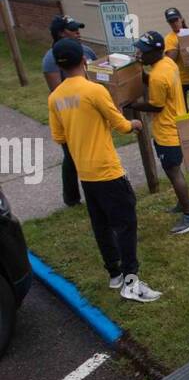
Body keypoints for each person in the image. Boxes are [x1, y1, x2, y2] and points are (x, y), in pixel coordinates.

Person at [47, 38, 160, 303]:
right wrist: (135, 124)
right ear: (84, 61)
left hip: (85, 172)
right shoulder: (94, 91)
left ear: (61, 66)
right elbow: (120, 124)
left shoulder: (55, 98)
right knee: (125, 222)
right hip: (107, 170)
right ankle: (131, 281)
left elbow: (59, 136)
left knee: (101, 224)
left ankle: (114, 274)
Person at [133, 30, 189, 235]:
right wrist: (141, 75)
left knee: (173, 171)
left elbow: (156, 106)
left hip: (167, 131)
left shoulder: (157, 76)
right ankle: (184, 203)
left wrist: (132, 104)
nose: (140, 55)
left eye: (144, 52)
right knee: (174, 170)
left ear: (156, 52)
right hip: (178, 123)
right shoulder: (167, 64)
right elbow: (157, 82)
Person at [42, 15, 97, 208]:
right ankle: (71, 197)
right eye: (73, 29)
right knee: (72, 155)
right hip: (70, 114)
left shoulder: (88, 51)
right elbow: (58, 92)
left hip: (91, 109)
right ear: (60, 33)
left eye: (78, 28)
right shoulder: (51, 60)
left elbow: (100, 76)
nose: (78, 32)